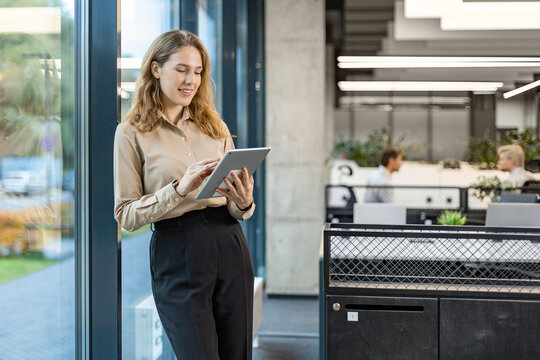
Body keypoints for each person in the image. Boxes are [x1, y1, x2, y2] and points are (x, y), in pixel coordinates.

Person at [113, 30, 255, 360]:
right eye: (181, 69)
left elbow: (236, 205)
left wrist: (243, 202)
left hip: (230, 242)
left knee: (238, 353)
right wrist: (178, 190)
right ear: (156, 69)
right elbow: (126, 214)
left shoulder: (214, 125)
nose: (191, 80)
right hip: (177, 247)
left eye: (198, 71)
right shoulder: (132, 132)